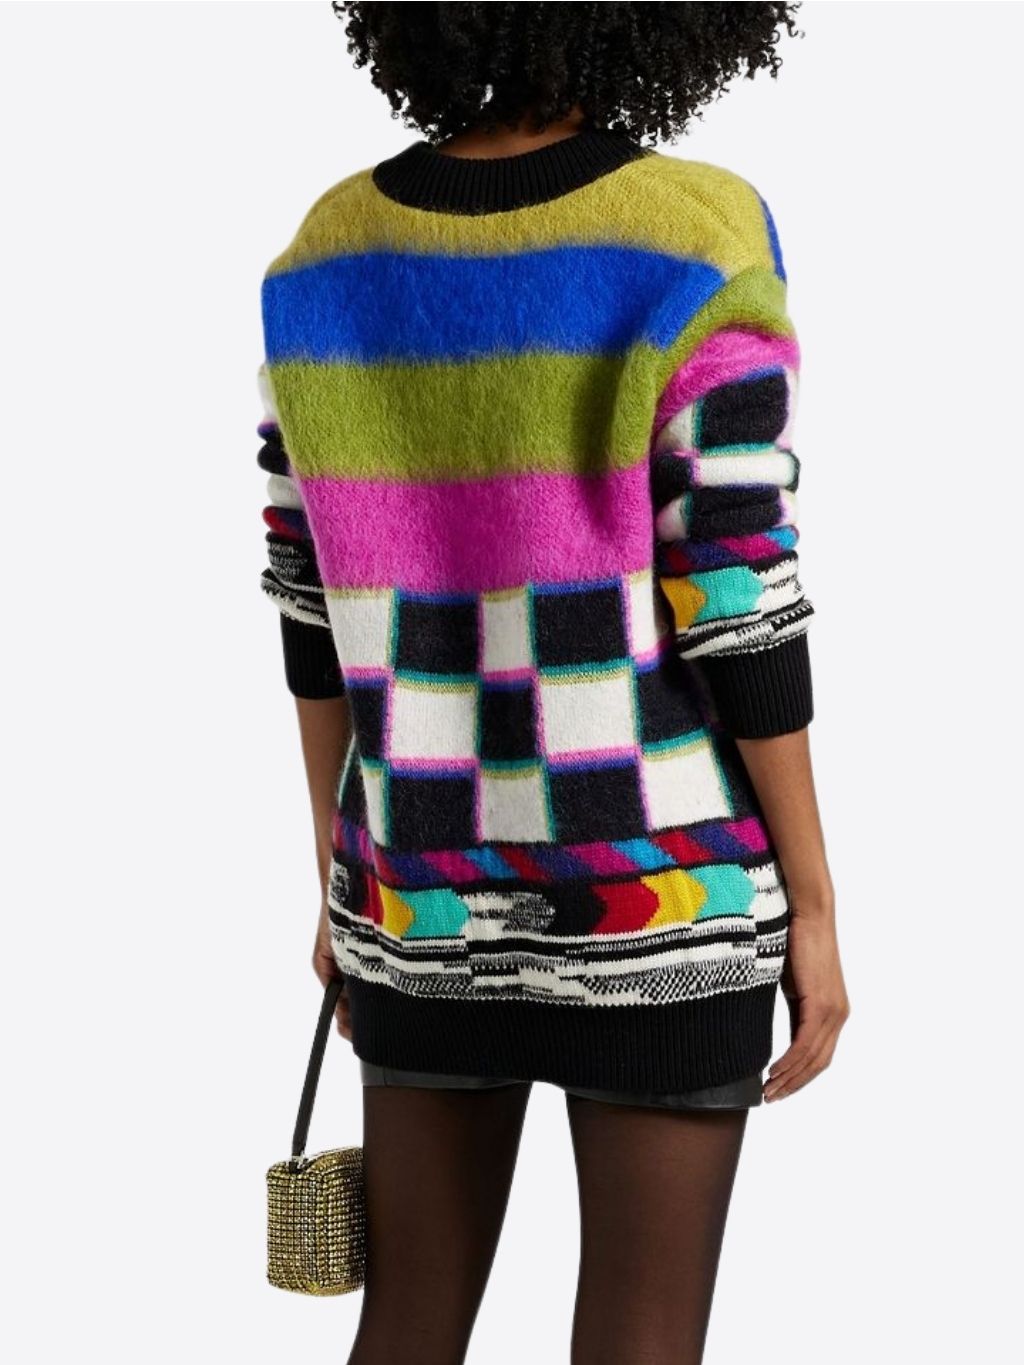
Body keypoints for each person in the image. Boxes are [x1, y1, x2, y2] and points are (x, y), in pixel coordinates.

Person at [256, 4, 850, 1361]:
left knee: (407, 1327)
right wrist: (815, 905)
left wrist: (343, 879)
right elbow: (737, 598)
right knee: (642, 1340)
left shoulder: (327, 253)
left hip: (417, 885)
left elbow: (310, 615)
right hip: (662, 890)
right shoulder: (694, 232)